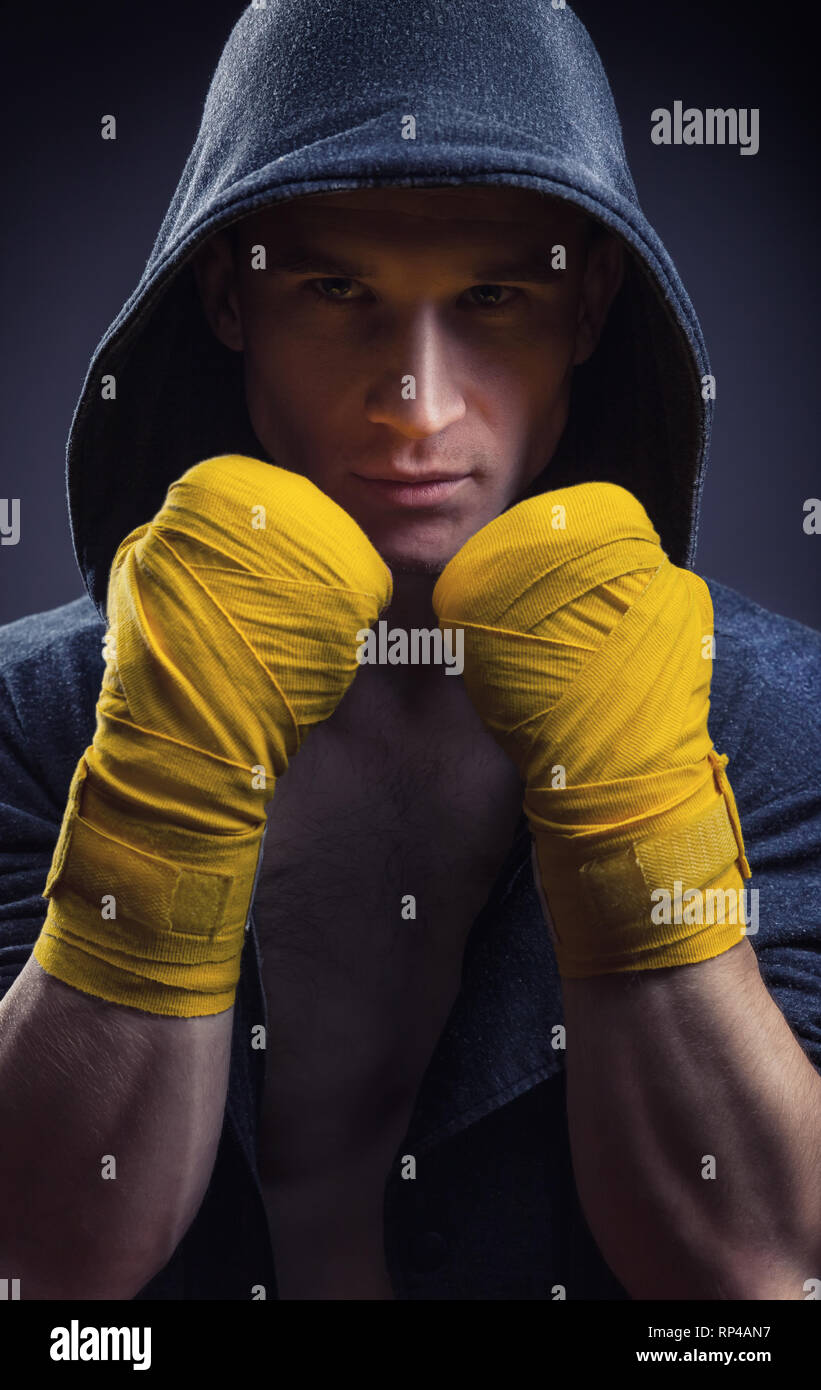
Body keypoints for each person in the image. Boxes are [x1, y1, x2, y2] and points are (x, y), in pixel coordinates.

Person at [1, 0, 819, 1303]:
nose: (417, 404)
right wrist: (166, 766)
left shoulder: (778, 726)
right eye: (338, 291)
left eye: (493, 296)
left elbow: (755, 1267)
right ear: (228, 295)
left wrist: (641, 797)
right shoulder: (31, 716)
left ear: (589, 303)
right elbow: (49, 1263)